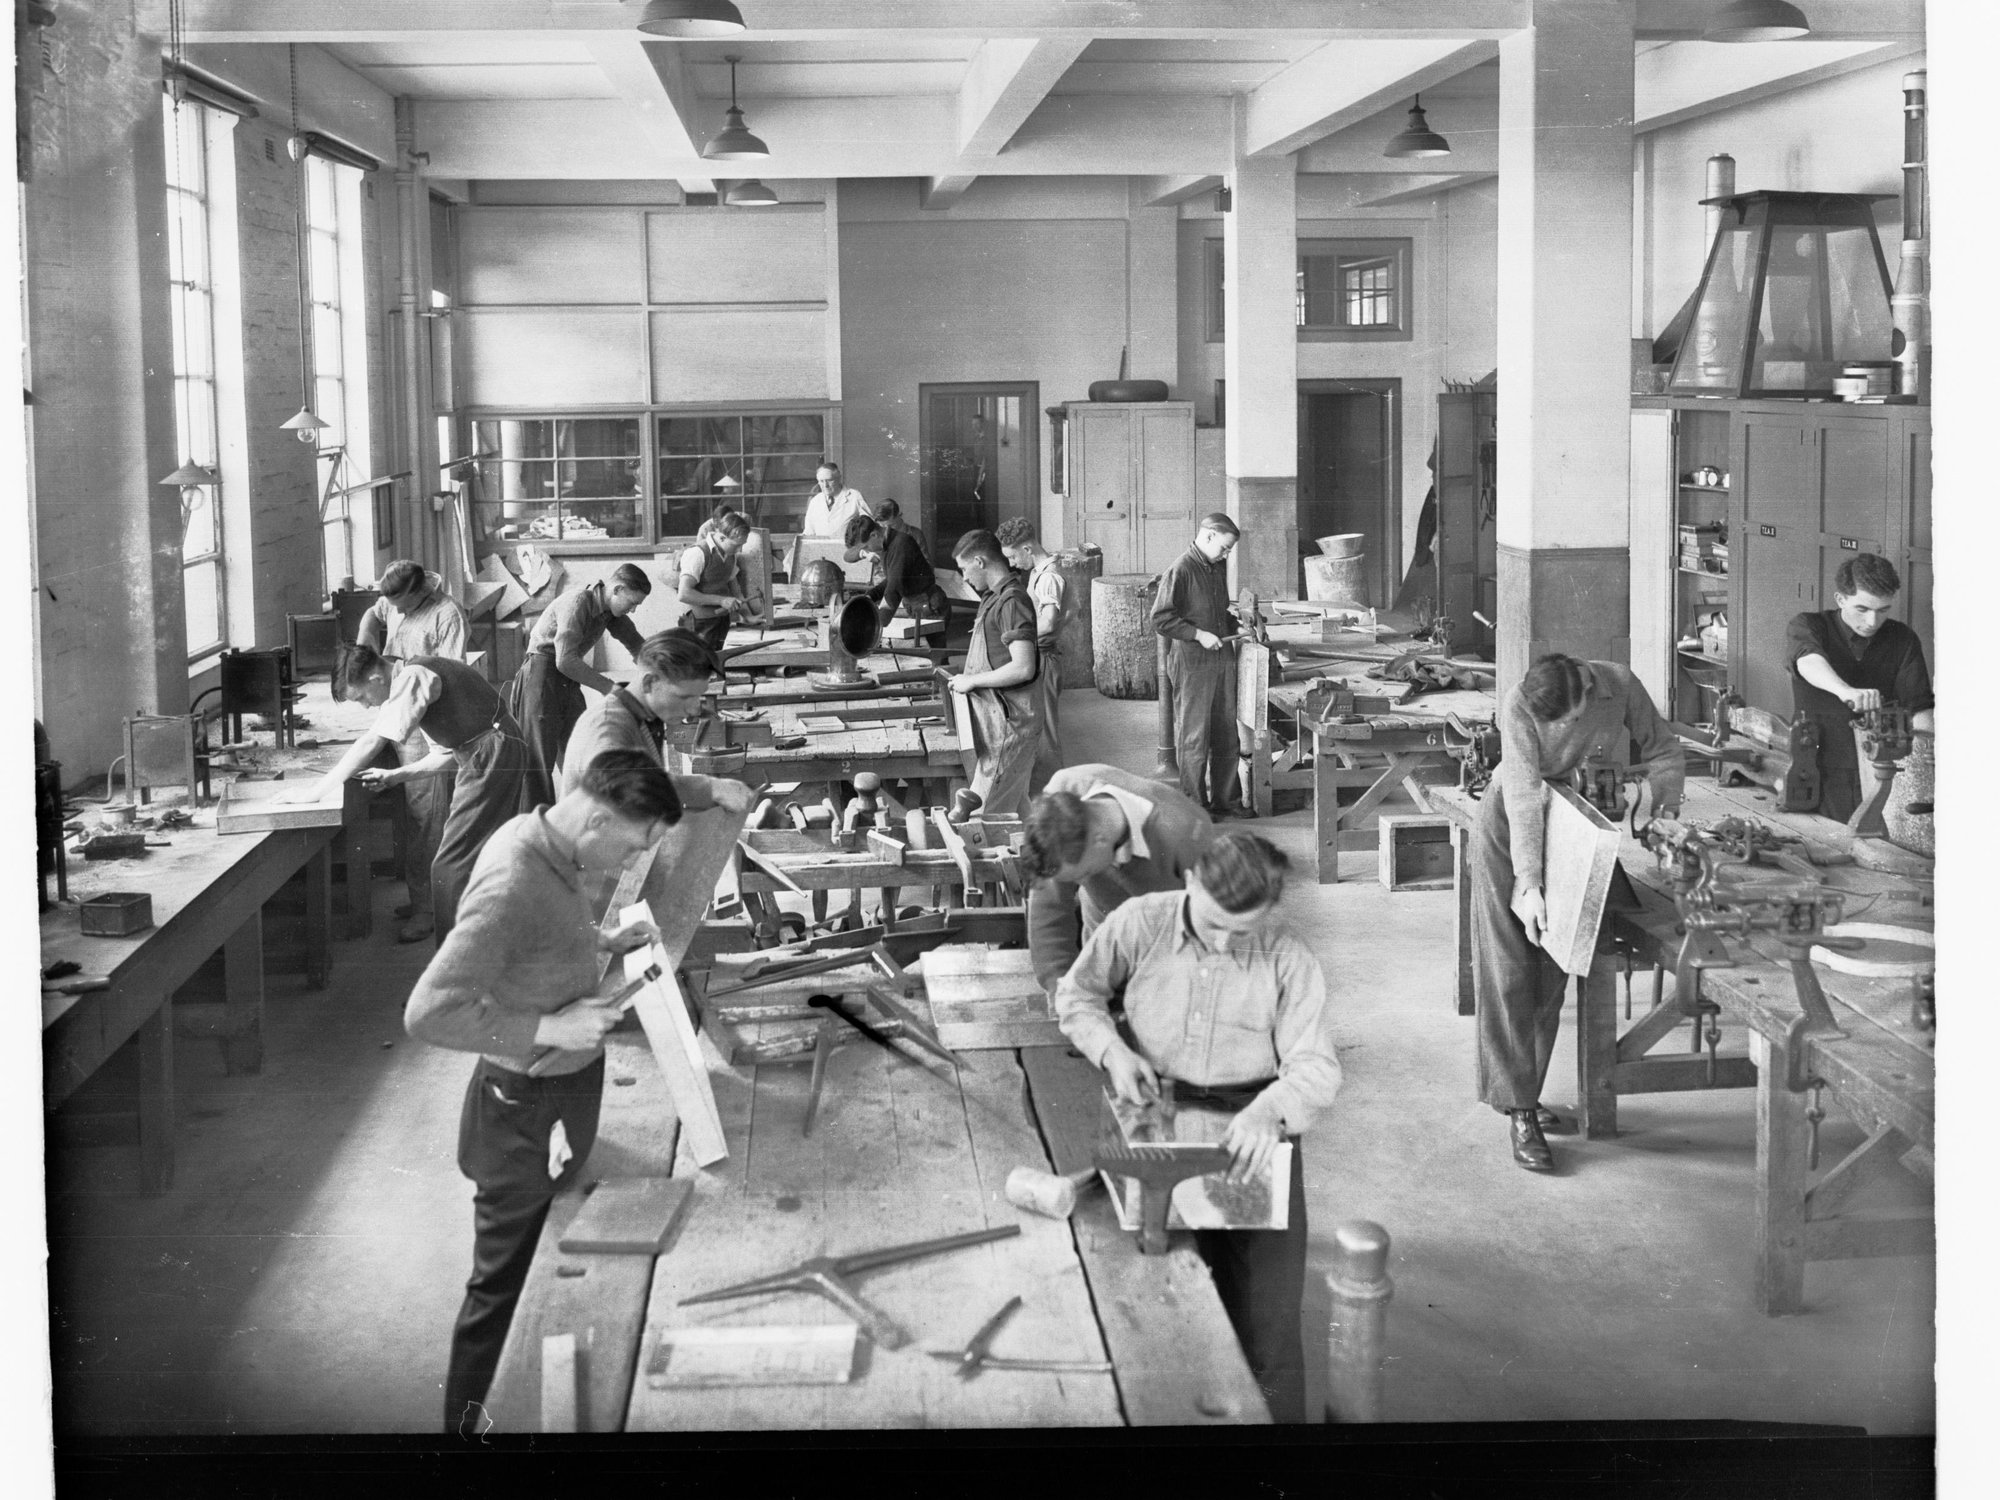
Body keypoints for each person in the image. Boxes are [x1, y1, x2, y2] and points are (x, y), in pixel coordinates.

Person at [405, 750, 685, 1434]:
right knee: (499, 1287)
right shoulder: (512, 881)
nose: (629, 863)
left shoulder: (552, 843)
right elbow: (428, 1011)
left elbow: (546, 933)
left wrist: (606, 940)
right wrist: (549, 1025)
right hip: (520, 1109)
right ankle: (463, 1435)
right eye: (630, 845)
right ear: (594, 817)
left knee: (547, 1248)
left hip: (558, 1096)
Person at [1054, 830, 1339, 1425]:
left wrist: (1270, 1110)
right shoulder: (1139, 922)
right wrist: (1112, 1052)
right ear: (1189, 881)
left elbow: (1314, 1068)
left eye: (1240, 932)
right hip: (1158, 1109)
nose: (1220, 942)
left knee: (1271, 1317)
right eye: (1211, 923)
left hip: (1252, 1123)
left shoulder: (1287, 957)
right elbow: (1076, 995)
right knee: (1166, 1294)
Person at [1474, 654, 1683, 1172]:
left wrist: (1662, 805)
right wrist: (1530, 885)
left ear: (1587, 694)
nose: (1556, 731)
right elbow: (1523, 795)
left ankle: (1521, 1092)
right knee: (1509, 969)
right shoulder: (1519, 703)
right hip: (1509, 825)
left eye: (1563, 722)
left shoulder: (1619, 684)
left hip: (1568, 819)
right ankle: (1520, 1111)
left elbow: (1664, 746)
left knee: (1553, 966)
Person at [291, 643, 529, 944]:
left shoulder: (412, 678)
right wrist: (394, 776)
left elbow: (371, 743)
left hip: (493, 750)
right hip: (487, 750)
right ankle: (487, 940)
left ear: (376, 679)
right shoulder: (414, 683)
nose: (365, 705)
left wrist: (315, 792)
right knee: (472, 856)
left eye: (362, 697)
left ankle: (455, 958)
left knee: (450, 865)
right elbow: (444, 756)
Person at [559, 630, 755, 919]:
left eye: (699, 697)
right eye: (685, 697)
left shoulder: (640, 717)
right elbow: (625, 787)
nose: (692, 710)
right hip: (594, 887)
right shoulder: (608, 726)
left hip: (619, 866)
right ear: (650, 682)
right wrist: (709, 788)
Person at [1019, 762, 1214, 994]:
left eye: (1084, 874)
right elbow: (1047, 904)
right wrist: (1060, 988)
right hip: (1101, 909)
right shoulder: (1064, 793)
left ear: (1100, 840)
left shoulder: (1185, 837)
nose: (1081, 878)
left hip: (1168, 926)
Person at [357, 560, 471, 943]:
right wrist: (364, 647)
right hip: (398, 706)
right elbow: (374, 614)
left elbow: (450, 677)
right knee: (411, 816)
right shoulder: (392, 599)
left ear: (421, 590)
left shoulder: (447, 615)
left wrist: (397, 668)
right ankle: (422, 897)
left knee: (429, 818)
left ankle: (430, 911)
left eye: (402, 605)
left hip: (428, 721)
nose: (396, 611)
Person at [1786, 552, 1935, 822]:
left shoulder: (1902, 639)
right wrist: (1846, 691)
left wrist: (1929, 752)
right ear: (1840, 599)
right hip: (1819, 767)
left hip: (1882, 769)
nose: (1872, 622)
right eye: (1862, 609)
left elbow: (1919, 706)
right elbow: (1808, 662)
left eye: (1883, 610)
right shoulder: (1809, 625)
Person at [504, 565, 651, 808]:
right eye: (632, 602)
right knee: (538, 764)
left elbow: (637, 646)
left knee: (581, 752)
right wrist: (611, 688)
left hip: (566, 678)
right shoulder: (578, 603)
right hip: (540, 677)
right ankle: (534, 833)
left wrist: (655, 673)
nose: (633, 610)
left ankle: (577, 821)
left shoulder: (609, 613)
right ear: (617, 589)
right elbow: (565, 661)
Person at [1153, 513, 1248, 817]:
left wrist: (1238, 622)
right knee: (1195, 735)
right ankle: (1195, 806)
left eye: (1229, 550)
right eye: (1224, 548)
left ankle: (1227, 801)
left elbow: (1219, 610)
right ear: (1207, 536)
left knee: (1226, 732)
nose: (1226, 554)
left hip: (1222, 657)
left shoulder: (1215, 567)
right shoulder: (1181, 569)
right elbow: (1161, 618)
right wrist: (1198, 634)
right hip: (1193, 661)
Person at [947, 528, 1041, 819]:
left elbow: (1024, 666)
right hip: (996, 721)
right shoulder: (993, 597)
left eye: (964, 569)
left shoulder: (1011, 601)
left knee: (983, 818)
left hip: (1008, 723)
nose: (964, 578)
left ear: (979, 561)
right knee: (1016, 806)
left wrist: (971, 680)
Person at [996, 517, 1067, 791]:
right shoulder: (1039, 570)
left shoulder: (1049, 576)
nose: (1012, 564)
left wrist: (1016, 639)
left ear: (1027, 549)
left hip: (1046, 660)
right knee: (1038, 729)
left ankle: (1055, 797)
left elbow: (1048, 622)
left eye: (1013, 557)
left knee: (1046, 734)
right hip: (1040, 656)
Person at [844, 512, 943, 630]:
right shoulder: (888, 544)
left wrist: (875, 626)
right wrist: (870, 597)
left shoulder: (901, 544)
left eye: (866, 547)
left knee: (929, 646)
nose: (868, 551)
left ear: (874, 535)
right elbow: (892, 579)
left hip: (929, 606)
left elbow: (894, 588)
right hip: (915, 604)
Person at [676, 510, 755, 654]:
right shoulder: (697, 553)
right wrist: (721, 600)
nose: (740, 549)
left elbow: (734, 587)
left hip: (721, 621)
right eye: (737, 545)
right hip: (699, 624)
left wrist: (748, 616)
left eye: (742, 545)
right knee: (701, 667)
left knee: (720, 665)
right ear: (723, 538)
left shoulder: (730, 554)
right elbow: (684, 594)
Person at [801, 460, 870, 537]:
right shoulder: (815, 501)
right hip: (820, 547)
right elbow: (809, 531)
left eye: (829, 480)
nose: (825, 485)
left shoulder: (854, 496)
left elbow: (869, 525)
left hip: (848, 547)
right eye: (821, 481)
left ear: (839, 478)